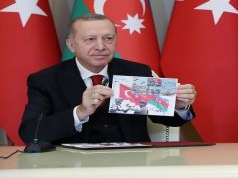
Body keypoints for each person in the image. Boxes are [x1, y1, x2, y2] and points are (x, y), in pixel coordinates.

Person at [19, 14, 197, 144]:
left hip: (132, 165)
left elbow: (168, 119)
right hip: (72, 167)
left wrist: (180, 106)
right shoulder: (45, 80)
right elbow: (30, 133)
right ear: (71, 45)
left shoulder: (137, 71)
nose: (100, 47)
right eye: (90, 39)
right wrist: (80, 112)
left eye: (108, 39)